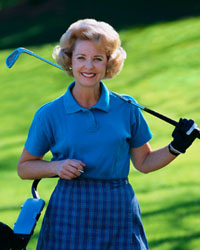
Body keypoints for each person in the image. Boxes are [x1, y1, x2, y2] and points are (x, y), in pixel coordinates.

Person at [17, 18, 198, 250]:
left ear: (108, 63)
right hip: (68, 212)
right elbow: (25, 167)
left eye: (97, 59)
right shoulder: (49, 114)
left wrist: (177, 146)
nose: (89, 67)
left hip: (118, 209)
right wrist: (56, 167)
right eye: (81, 58)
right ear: (70, 61)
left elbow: (143, 162)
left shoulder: (127, 108)